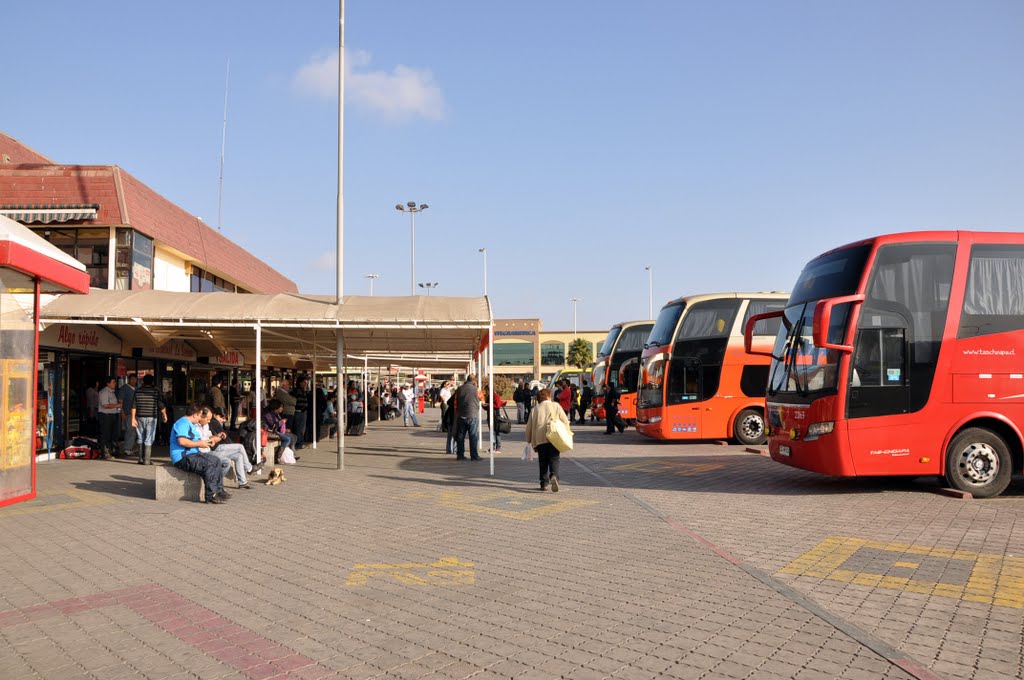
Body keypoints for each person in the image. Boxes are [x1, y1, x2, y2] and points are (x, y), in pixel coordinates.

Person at [170, 403, 230, 504]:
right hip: (183, 457)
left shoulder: (191, 425)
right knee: (209, 464)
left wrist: (212, 440)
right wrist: (199, 443)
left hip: (193, 453)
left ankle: (219, 491)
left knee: (216, 460)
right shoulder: (182, 423)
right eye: (199, 416)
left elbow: (201, 441)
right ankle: (210, 496)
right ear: (194, 415)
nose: (199, 419)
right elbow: (182, 441)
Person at [525, 388, 570, 492]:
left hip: (540, 438)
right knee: (554, 458)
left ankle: (543, 483)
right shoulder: (556, 406)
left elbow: (529, 426)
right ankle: (554, 476)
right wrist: (567, 433)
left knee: (543, 461)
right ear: (549, 396)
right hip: (554, 437)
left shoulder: (535, 409)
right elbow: (565, 420)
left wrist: (528, 439)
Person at [203, 407, 258, 489]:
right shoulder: (213, 422)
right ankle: (249, 468)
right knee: (240, 447)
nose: (223, 420)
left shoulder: (208, 425)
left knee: (239, 456)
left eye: (225, 418)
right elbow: (208, 441)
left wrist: (216, 437)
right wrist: (218, 440)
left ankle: (243, 482)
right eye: (222, 417)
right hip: (215, 448)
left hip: (215, 446)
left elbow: (210, 438)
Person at [131, 375, 167, 465]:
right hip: (151, 417)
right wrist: (164, 414)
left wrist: (132, 418)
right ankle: (147, 460)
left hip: (139, 417)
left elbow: (133, 405)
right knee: (149, 438)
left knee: (140, 437)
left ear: (143, 381)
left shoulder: (137, 391)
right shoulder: (155, 392)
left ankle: (140, 459)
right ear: (152, 382)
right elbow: (161, 405)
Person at [453, 375, 484, 461]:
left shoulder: (459, 389)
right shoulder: (476, 389)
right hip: (473, 415)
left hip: (461, 415)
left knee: (460, 436)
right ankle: (474, 456)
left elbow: (455, 402)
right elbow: (482, 398)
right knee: (473, 436)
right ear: (474, 381)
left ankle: (460, 455)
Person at [97, 376, 121, 459]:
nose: (115, 384)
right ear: (108, 383)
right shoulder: (104, 392)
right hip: (106, 416)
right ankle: (104, 453)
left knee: (113, 435)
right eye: (113, 382)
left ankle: (111, 452)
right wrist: (118, 405)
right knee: (105, 435)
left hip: (113, 415)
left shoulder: (112, 392)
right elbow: (105, 405)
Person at [118, 373, 138, 456]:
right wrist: (122, 413)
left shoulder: (137, 388)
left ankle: (129, 447)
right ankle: (127, 448)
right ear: (129, 379)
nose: (134, 381)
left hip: (136, 413)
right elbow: (120, 402)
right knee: (130, 431)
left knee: (133, 431)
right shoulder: (124, 388)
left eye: (135, 379)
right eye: (132, 379)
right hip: (128, 413)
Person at [484, 381, 505, 454]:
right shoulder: (488, 397)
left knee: (496, 432)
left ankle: (498, 447)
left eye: (486, 390)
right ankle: (492, 447)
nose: (486, 392)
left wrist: (489, 404)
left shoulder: (496, 396)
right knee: (491, 433)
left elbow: (498, 405)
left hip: (495, 417)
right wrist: (484, 405)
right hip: (489, 416)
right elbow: (487, 407)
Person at [291, 378, 309, 449]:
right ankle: (299, 443)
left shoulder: (304, 391)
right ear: (300, 383)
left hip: (303, 412)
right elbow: (295, 401)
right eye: (304, 382)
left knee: (302, 428)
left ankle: (301, 442)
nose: (306, 384)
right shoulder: (296, 391)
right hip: (298, 412)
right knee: (298, 428)